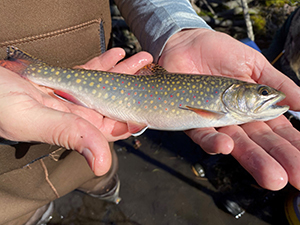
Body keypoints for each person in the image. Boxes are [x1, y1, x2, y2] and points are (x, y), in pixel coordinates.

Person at [1, 0, 300, 224]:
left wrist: (176, 27)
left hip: (89, 145)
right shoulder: (217, 110)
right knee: (26, 215)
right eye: (262, 93)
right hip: (9, 191)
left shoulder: (222, 106)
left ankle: (104, 187)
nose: (268, 98)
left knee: (99, 170)